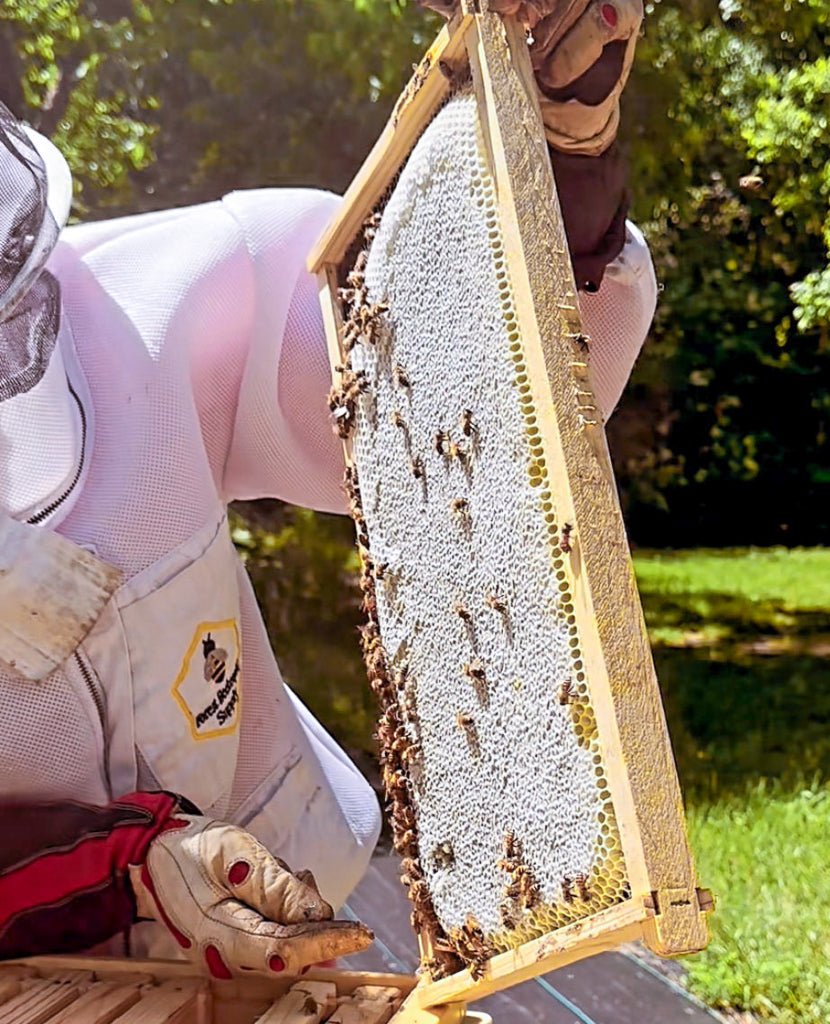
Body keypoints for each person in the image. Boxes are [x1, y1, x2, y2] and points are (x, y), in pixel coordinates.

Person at [0, 0, 650, 980]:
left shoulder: (160, 307)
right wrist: (117, 869)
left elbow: (471, 395)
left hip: (297, 928)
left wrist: (561, 146)